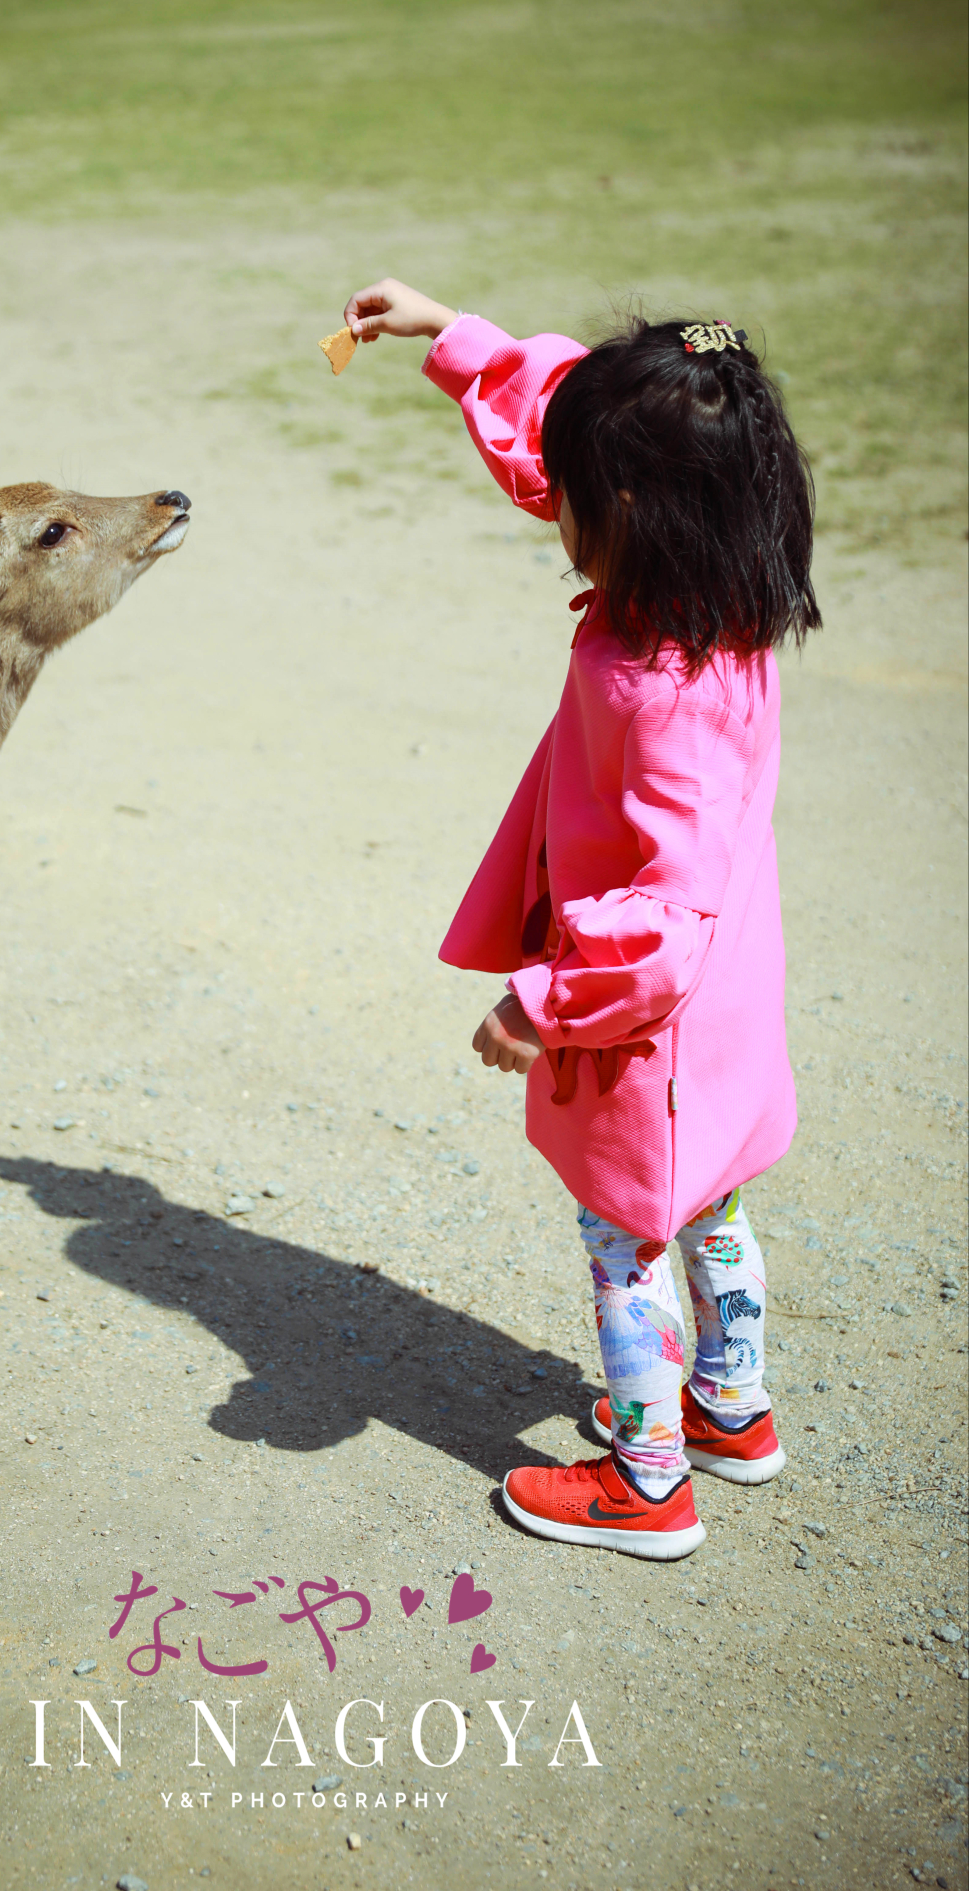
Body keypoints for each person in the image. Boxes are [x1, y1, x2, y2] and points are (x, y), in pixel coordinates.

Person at [342, 279, 821, 1561]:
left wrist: (541, 1002)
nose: (549, 505)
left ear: (632, 513)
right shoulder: (720, 594)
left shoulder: (660, 690)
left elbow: (662, 918)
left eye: (571, 499)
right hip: (727, 1011)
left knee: (627, 1235)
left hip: (644, 1022)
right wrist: (452, 336)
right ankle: (732, 1404)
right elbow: (565, 422)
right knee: (712, 1201)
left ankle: (649, 1478)